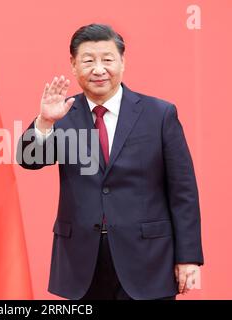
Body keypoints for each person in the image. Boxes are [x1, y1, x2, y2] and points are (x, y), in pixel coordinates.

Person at [17, 24, 203, 300]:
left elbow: (183, 191)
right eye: (88, 60)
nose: (99, 69)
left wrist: (188, 257)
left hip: (147, 259)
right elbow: (29, 160)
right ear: (73, 64)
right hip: (83, 262)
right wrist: (44, 122)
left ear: (122, 62)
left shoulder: (159, 114)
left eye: (107, 59)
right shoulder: (63, 113)